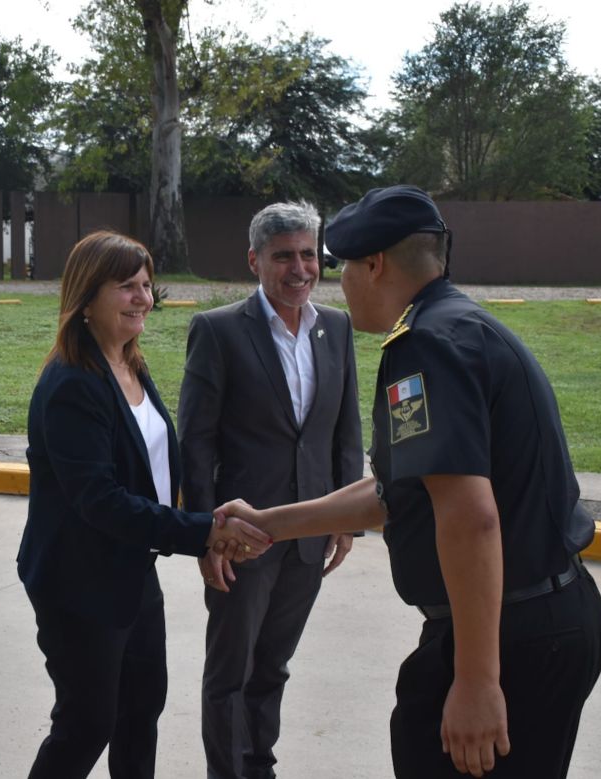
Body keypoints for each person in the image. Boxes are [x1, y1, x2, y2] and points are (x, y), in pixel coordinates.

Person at [218, 185, 601, 779]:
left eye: (343, 266)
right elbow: (402, 491)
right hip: (542, 621)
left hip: (511, 634)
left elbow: (469, 516)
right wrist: (270, 522)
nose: (338, 282)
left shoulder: (424, 346)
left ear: (373, 265)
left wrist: (477, 682)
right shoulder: (457, 327)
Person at [16, 230, 271, 779]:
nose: (143, 298)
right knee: (86, 723)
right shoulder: (72, 384)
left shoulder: (131, 366)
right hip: (77, 581)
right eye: (127, 287)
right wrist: (201, 530)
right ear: (87, 296)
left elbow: (150, 471)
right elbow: (100, 501)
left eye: (148, 286)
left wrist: (191, 524)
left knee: (140, 711)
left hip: (131, 570)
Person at [177, 200, 363, 779]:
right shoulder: (219, 330)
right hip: (242, 538)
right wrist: (207, 536)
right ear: (254, 261)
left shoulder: (336, 327)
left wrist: (344, 520)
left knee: (273, 667)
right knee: (231, 671)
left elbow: (344, 430)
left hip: (308, 536)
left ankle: (260, 767)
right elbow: (196, 442)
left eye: (309, 255)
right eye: (284, 256)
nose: (300, 269)